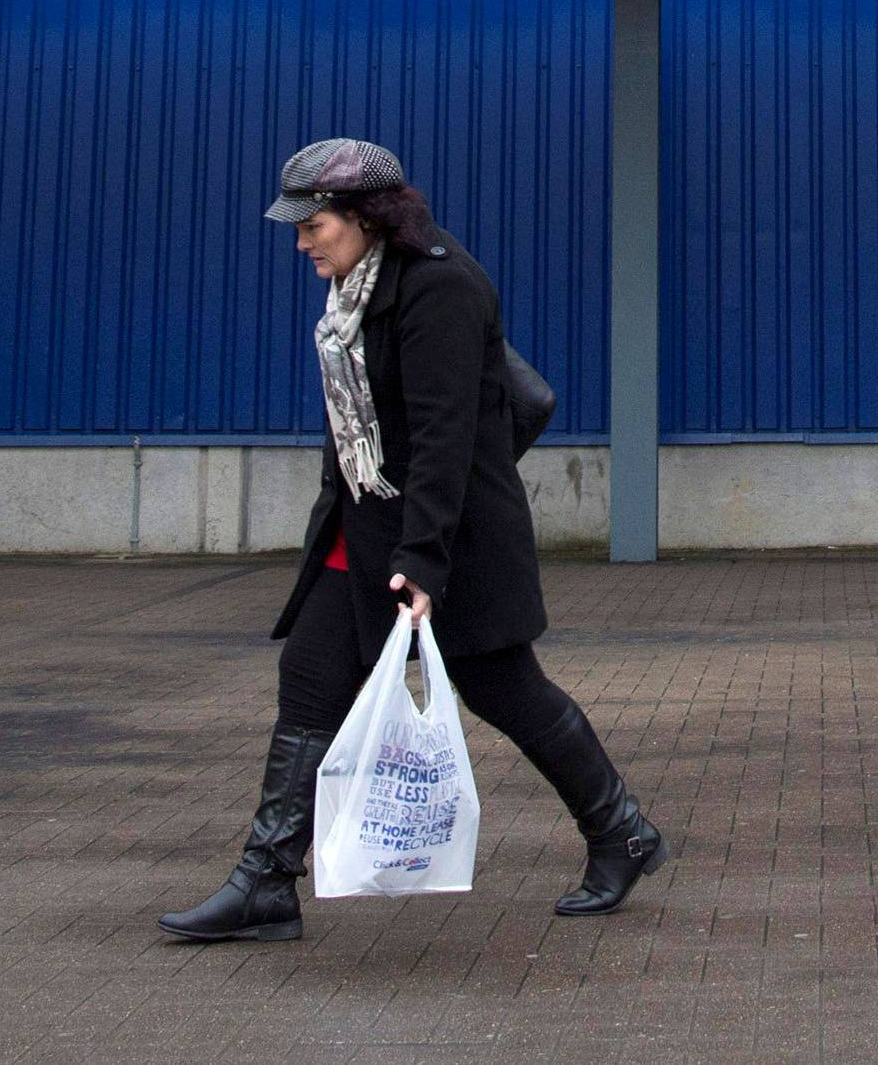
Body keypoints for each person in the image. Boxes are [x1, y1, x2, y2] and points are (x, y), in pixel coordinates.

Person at [158, 137, 668, 942]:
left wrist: (422, 560)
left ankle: (622, 833)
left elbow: (444, 437)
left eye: (313, 226)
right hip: (367, 528)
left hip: (445, 537)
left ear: (366, 217)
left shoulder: (440, 290)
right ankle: (265, 880)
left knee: (507, 690)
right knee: (311, 678)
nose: (302, 244)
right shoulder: (359, 291)